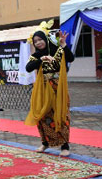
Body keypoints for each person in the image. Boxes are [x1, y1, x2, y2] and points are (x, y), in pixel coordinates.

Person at [25, 21, 74, 157]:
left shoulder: (57, 50)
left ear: (46, 39)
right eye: (35, 41)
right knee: (43, 115)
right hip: (43, 89)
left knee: (61, 115)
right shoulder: (36, 56)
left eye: (40, 39)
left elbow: (71, 58)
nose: (38, 43)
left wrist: (64, 45)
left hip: (58, 88)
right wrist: (41, 59)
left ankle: (64, 146)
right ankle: (45, 143)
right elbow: (28, 68)